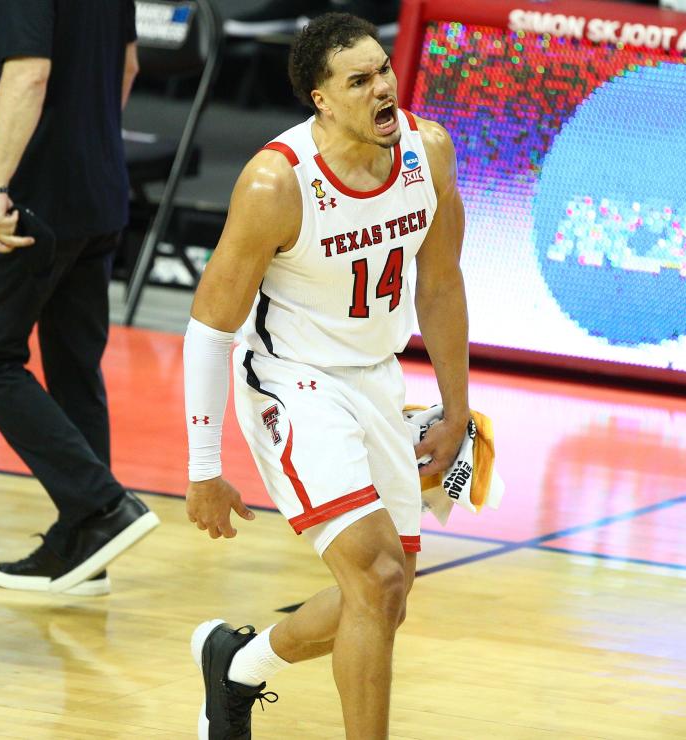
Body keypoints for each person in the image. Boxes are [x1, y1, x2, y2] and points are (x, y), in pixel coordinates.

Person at [182, 13, 469, 738]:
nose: (383, 88)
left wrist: (457, 409)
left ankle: (239, 665)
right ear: (322, 99)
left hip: (375, 374)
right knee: (373, 581)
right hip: (292, 379)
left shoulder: (427, 152)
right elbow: (210, 329)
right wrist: (203, 466)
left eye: (384, 70)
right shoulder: (275, 184)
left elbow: (439, 285)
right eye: (360, 80)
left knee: (388, 595)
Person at [0, 0, 159, 597]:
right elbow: (127, 66)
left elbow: (28, 71)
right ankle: (85, 546)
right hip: (100, 187)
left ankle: (100, 508)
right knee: (74, 367)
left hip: (34, 198)